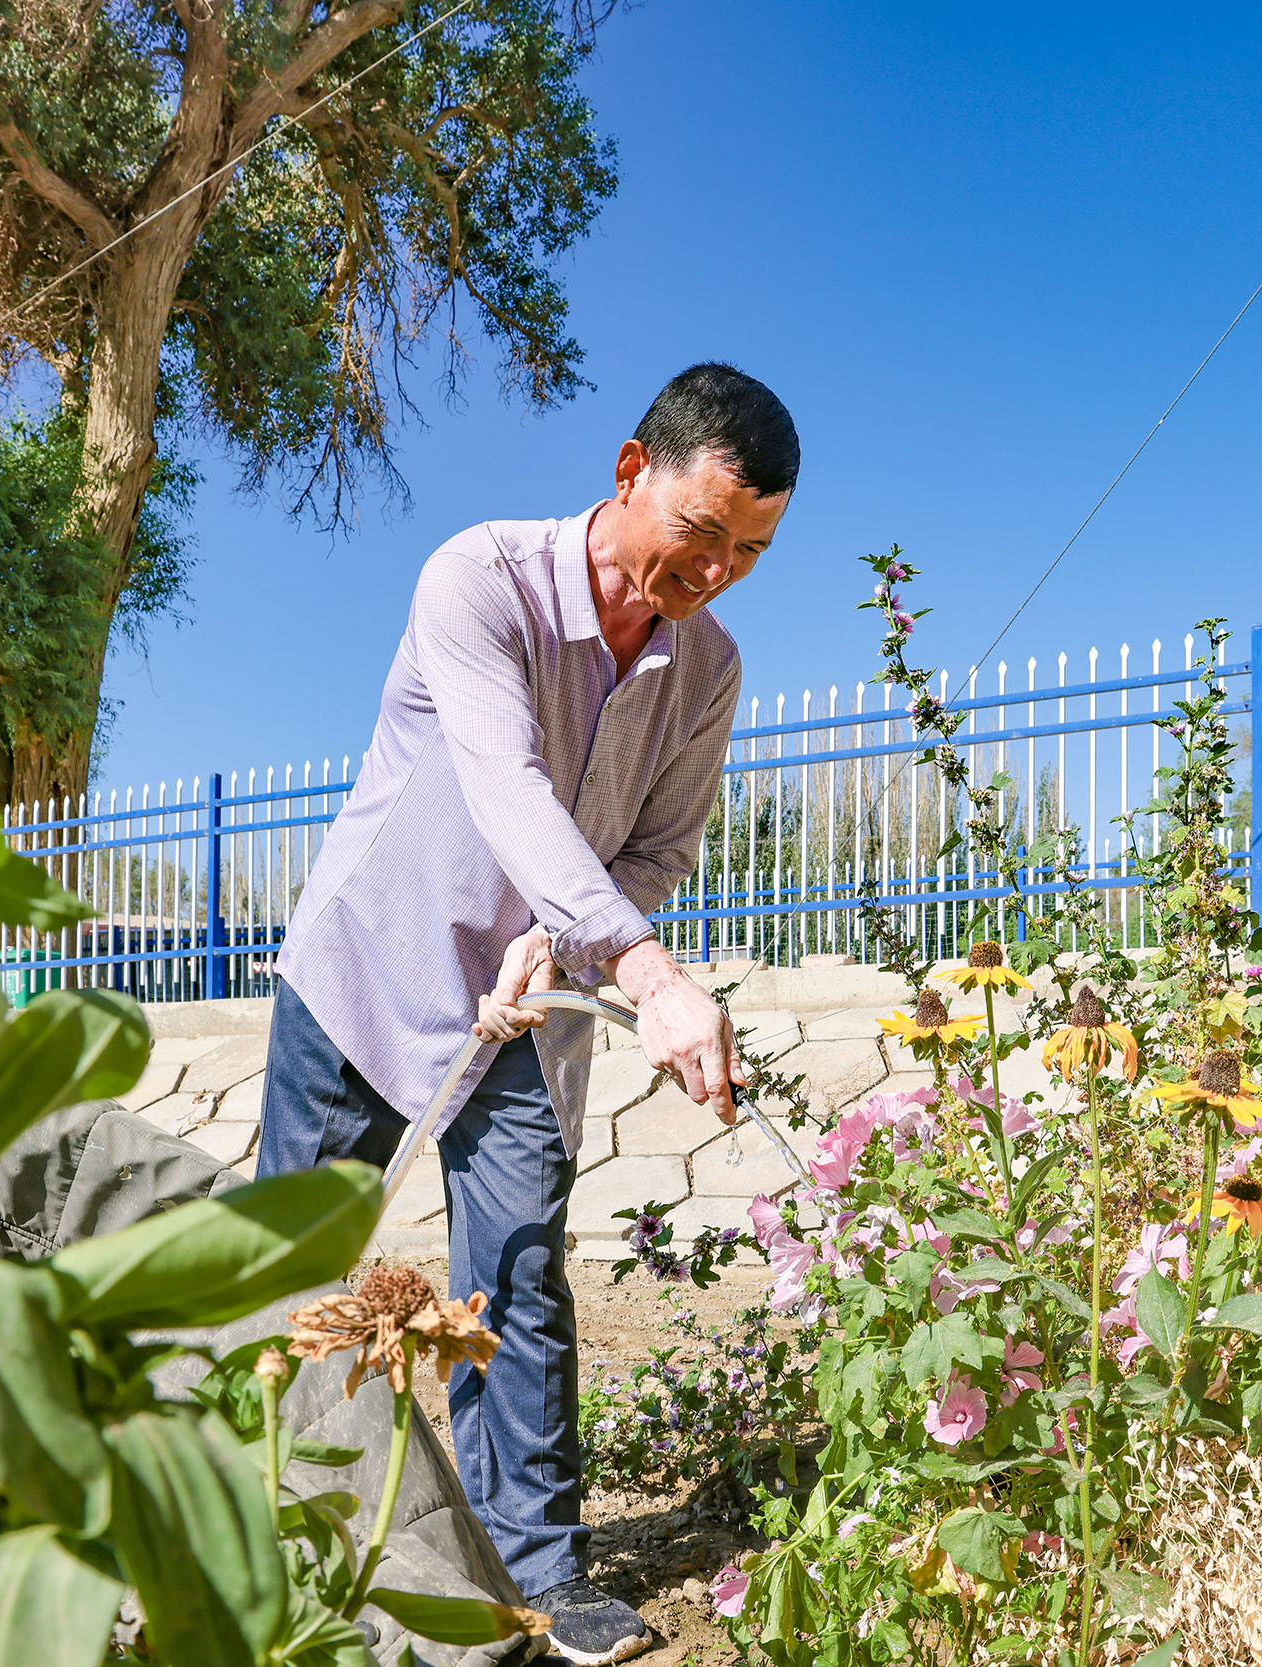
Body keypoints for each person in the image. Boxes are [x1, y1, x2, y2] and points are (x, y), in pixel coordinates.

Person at [261, 362, 797, 1663]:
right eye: (702, 534)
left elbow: (658, 848)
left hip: (536, 1000)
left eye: (752, 551)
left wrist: (559, 947)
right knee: (282, 1269)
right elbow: (503, 783)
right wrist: (650, 975)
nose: (718, 570)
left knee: (514, 1278)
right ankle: (257, 1530)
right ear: (631, 474)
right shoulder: (478, 579)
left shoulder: (707, 667)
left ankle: (532, 1574)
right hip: (370, 971)